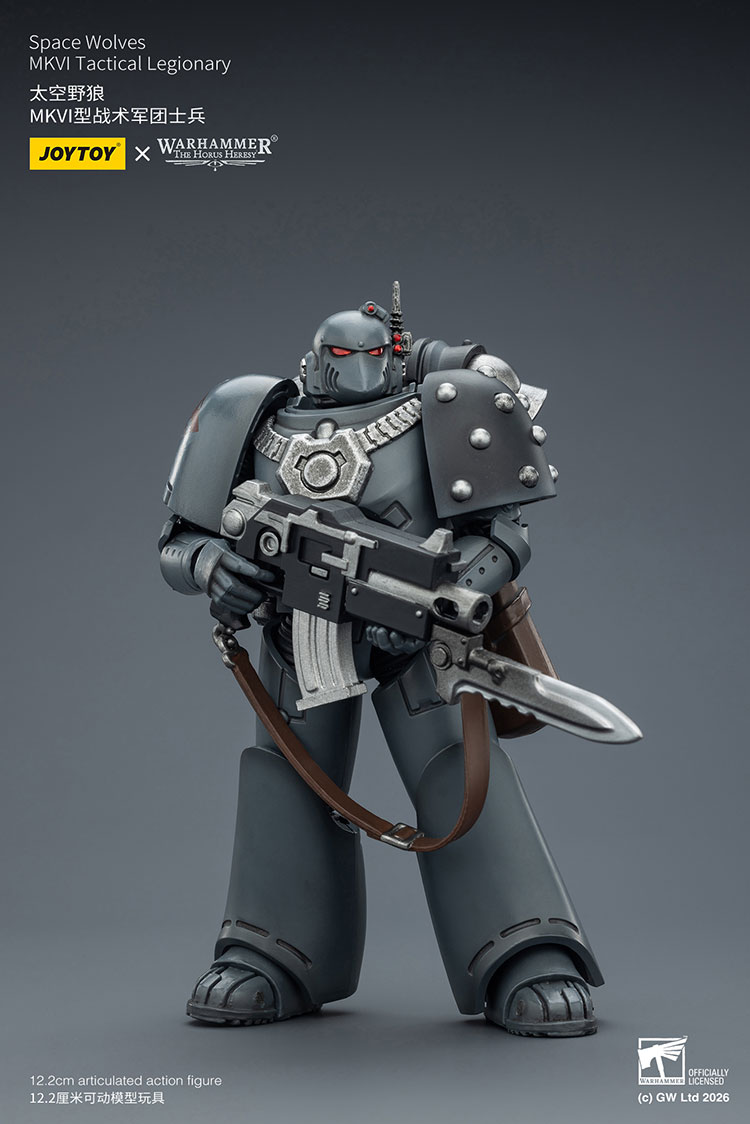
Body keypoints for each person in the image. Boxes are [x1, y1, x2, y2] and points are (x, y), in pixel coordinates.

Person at [158, 285, 603, 1035]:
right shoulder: (250, 414)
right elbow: (180, 542)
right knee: (289, 775)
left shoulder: (447, 403)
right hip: (295, 633)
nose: (354, 367)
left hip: (417, 640)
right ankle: (275, 950)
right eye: (340, 355)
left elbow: (504, 533)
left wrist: (446, 598)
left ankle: (523, 946)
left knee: (458, 770)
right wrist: (214, 568)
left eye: (368, 354)